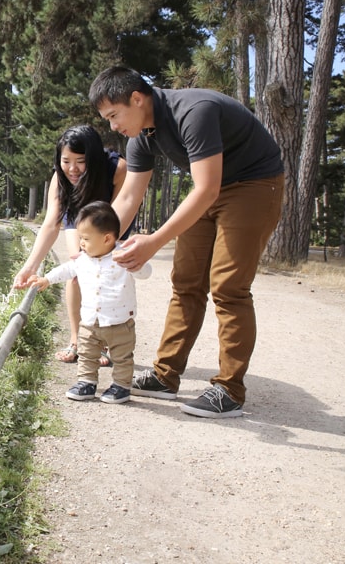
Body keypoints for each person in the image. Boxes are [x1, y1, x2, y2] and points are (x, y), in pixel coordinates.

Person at [88, 65, 285, 418]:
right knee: (186, 283)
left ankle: (229, 390)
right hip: (210, 190)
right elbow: (130, 197)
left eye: (115, 115)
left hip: (253, 184)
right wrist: (97, 243)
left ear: (137, 98)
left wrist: (154, 241)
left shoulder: (195, 112)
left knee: (228, 287)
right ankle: (165, 376)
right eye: (107, 119)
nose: (113, 127)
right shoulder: (140, 138)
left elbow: (207, 187)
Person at [12, 124, 127, 366]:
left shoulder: (117, 169)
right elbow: (51, 224)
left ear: (93, 158)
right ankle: (78, 340)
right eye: (66, 161)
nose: (72, 169)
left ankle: (104, 341)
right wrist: (30, 267)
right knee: (78, 271)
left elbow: (118, 215)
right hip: (78, 218)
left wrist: (103, 247)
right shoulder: (60, 176)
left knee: (106, 274)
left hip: (111, 221)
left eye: (80, 161)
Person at [26, 201, 152, 403]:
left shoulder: (122, 257)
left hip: (120, 322)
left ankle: (121, 386)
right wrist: (46, 279)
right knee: (86, 354)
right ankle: (87, 382)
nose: (81, 243)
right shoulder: (83, 259)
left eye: (85, 238)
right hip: (90, 321)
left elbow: (146, 273)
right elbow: (66, 269)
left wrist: (136, 263)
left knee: (122, 358)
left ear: (107, 238)